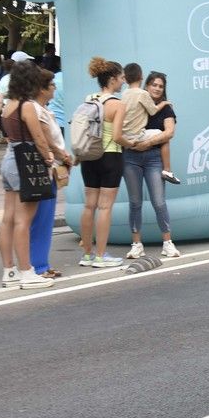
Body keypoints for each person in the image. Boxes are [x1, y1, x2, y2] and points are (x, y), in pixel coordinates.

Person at [0, 62, 67, 289]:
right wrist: (49, 158)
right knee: (24, 220)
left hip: (9, 158)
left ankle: (9, 270)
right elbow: (39, 137)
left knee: (8, 218)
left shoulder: (8, 105)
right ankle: (27, 271)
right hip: (25, 162)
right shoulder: (27, 106)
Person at [123, 70, 181, 258]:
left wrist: (147, 143)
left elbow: (169, 132)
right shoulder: (135, 101)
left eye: (160, 86)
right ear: (146, 86)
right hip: (131, 157)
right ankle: (136, 244)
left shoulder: (166, 109)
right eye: (153, 84)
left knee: (158, 201)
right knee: (135, 202)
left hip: (154, 158)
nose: (157, 88)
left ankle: (168, 243)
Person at [77, 57, 128, 267]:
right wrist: (132, 142)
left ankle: (87, 254)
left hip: (89, 156)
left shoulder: (90, 99)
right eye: (122, 77)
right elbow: (117, 136)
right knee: (105, 207)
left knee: (89, 206)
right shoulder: (117, 104)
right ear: (113, 79)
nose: (123, 81)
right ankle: (101, 255)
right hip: (110, 156)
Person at [29, 67, 70, 279]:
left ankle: (40, 263)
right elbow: (45, 140)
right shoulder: (36, 110)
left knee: (44, 219)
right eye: (52, 85)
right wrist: (62, 156)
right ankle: (38, 266)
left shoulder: (43, 109)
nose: (55, 88)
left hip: (48, 168)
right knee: (42, 219)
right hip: (45, 169)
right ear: (42, 89)